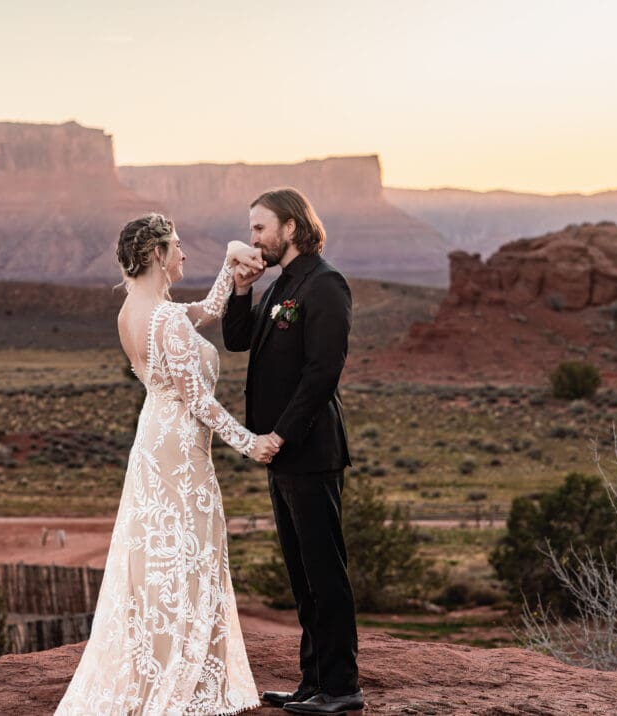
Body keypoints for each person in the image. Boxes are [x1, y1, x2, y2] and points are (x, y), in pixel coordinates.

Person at [55, 213, 281, 715]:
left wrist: (229, 261)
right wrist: (252, 443)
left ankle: (161, 662)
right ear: (157, 254)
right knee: (186, 552)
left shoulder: (137, 311)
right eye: (177, 247)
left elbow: (208, 309)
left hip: (154, 438)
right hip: (179, 451)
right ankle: (183, 676)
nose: (183, 255)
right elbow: (198, 400)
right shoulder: (161, 317)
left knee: (160, 554)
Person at [222, 188, 363, 715]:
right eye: (252, 229)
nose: (253, 238)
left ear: (291, 226)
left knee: (325, 572)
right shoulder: (283, 283)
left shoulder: (325, 283)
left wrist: (280, 433)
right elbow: (238, 342)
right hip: (280, 455)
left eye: (260, 228)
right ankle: (313, 683)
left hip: (308, 449)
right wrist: (241, 289)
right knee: (303, 575)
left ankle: (343, 688)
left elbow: (323, 370)